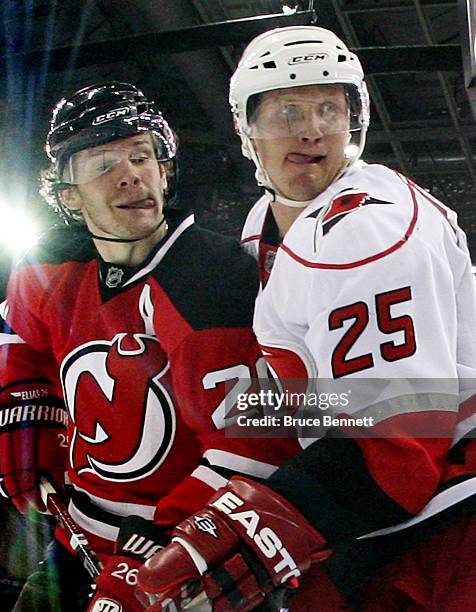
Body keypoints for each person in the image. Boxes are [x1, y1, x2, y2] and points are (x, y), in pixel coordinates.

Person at [137, 26, 476, 611]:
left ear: (355, 121)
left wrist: (245, 529)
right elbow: (328, 405)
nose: (312, 129)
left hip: (451, 513)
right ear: (247, 130)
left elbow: (399, 450)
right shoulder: (265, 227)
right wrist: (193, 501)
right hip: (394, 509)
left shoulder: (368, 230)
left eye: (329, 108)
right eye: (287, 110)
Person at [0, 82, 297, 611]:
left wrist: (169, 546)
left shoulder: (211, 277)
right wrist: (27, 412)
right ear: (67, 195)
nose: (132, 173)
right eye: (104, 162)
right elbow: (27, 345)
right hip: (75, 541)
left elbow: (250, 446)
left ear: (164, 170)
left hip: (180, 552)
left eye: (142, 155)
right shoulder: (47, 265)